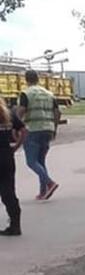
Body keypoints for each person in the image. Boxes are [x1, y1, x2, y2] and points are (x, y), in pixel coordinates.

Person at [17, 70, 60, 200]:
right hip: (47, 130)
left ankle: (50, 183)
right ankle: (43, 192)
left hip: (33, 129)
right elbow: (57, 112)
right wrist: (54, 129)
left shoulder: (26, 93)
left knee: (31, 162)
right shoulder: (49, 94)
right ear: (38, 79)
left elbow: (22, 111)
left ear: (26, 80)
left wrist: (16, 125)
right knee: (40, 161)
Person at [0, 99, 25, 236]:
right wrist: (16, 146)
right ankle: (15, 226)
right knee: (9, 192)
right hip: (6, 156)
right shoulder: (9, 113)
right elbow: (23, 130)